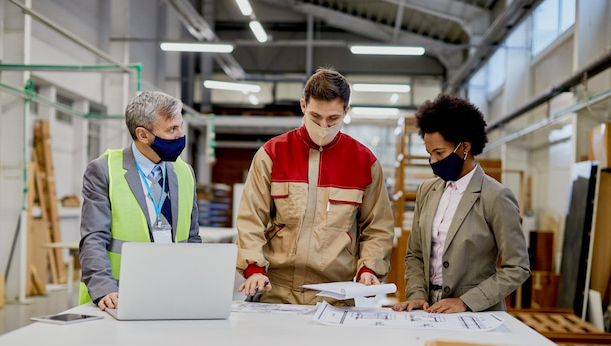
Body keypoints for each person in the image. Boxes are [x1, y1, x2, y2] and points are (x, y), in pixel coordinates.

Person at [235, 68, 394, 305]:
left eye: (333, 119)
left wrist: (369, 269)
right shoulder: (272, 154)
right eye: (315, 117)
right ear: (303, 106)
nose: (323, 126)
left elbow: (378, 227)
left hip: (334, 295)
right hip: (275, 291)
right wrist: (254, 268)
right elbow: (251, 219)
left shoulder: (364, 162)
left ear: (346, 111)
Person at [392, 94, 530, 313]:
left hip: (477, 312)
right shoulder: (427, 191)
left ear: (464, 147)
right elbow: (415, 254)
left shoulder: (495, 196)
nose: (433, 162)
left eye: (440, 153)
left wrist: (466, 302)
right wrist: (417, 294)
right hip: (429, 308)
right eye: (429, 154)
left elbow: (517, 267)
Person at [78, 90, 201, 310]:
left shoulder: (185, 172)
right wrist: (104, 288)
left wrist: (194, 284)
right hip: (119, 294)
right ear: (143, 135)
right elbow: (93, 238)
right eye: (172, 129)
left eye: (180, 126)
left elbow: (192, 237)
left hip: (173, 291)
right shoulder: (104, 170)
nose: (180, 135)